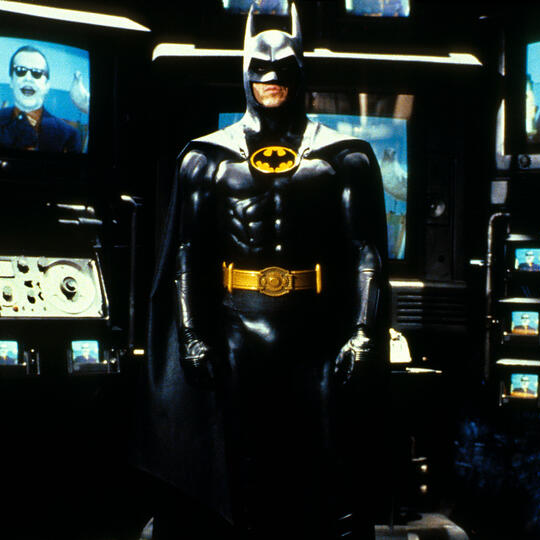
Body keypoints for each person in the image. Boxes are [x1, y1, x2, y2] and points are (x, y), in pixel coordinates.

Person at [137, 4, 390, 538]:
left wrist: (364, 331)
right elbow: (186, 254)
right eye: (260, 68)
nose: (271, 78)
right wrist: (191, 335)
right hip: (236, 332)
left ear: (301, 72)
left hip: (315, 335)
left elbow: (365, 252)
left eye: (283, 68)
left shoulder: (343, 158)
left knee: (324, 472)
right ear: (245, 72)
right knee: (238, 468)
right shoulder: (207, 160)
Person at [0, 45, 81, 153]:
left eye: (37, 73)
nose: (28, 78)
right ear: (11, 81)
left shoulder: (68, 135)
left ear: (47, 85)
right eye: (20, 71)